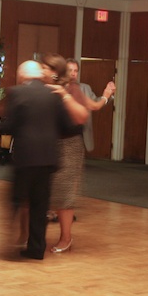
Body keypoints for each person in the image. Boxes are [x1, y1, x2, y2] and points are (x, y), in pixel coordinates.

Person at [0, 60, 86, 260]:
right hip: (48, 157)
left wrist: (7, 128)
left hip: (26, 157)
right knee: (40, 205)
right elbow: (67, 124)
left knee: (17, 199)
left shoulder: (16, 92)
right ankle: (36, 249)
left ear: (22, 77)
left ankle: (13, 240)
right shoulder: (54, 95)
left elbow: (9, 125)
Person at [46, 55, 93, 252]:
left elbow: (83, 115)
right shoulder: (44, 88)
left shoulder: (72, 89)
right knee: (50, 190)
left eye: (48, 69)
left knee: (64, 192)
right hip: (50, 143)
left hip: (69, 145)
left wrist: (63, 95)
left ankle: (66, 238)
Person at [69, 59, 116, 153]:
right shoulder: (59, 89)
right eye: (69, 70)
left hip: (81, 133)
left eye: (75, 71)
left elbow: (96, 103)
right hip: (63, 135)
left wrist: (108, 95)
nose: (73, 73)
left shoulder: (85, 88)